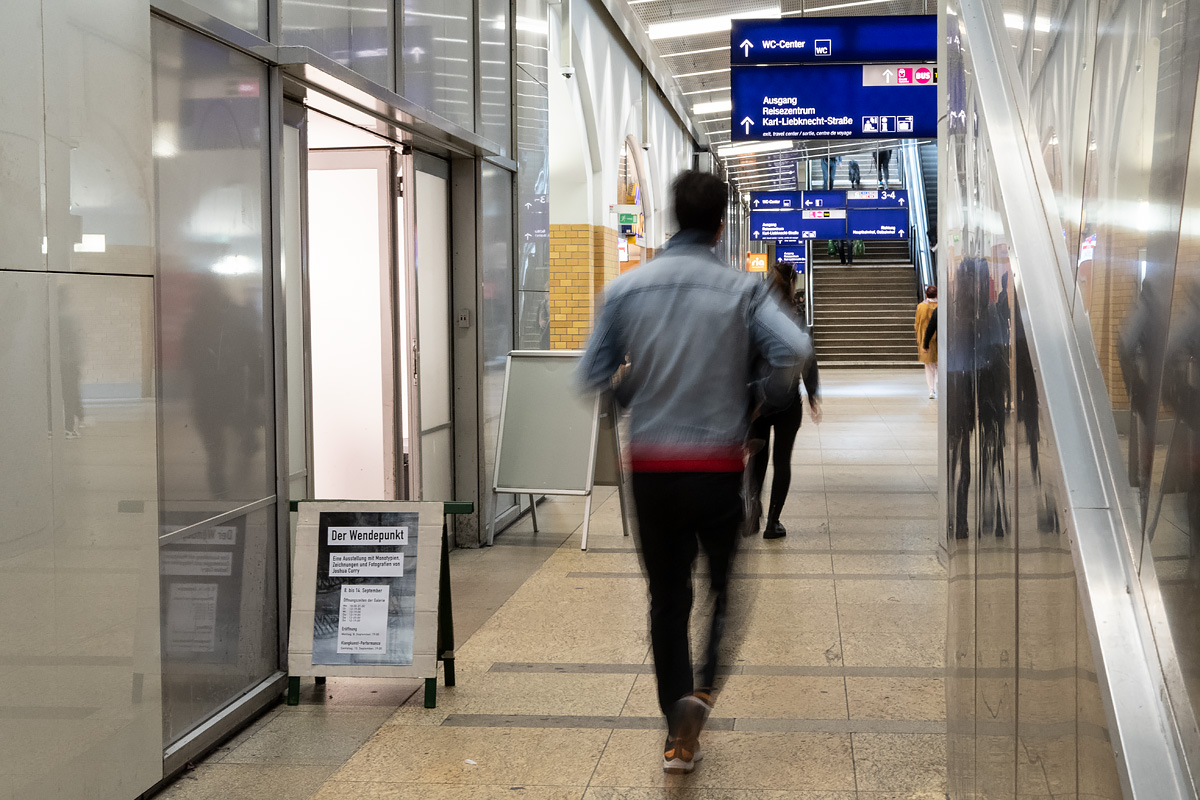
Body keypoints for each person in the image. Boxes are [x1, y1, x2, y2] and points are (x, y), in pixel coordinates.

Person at [578, 171, 812, 776]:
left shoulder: (627, 290)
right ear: (718, 225)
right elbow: (794, 349)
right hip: (715, 467)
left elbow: (592, 376)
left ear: (674, 218)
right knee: (723, 590)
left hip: (652, 468)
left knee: (667, 598)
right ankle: (702, 694)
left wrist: (632, 386)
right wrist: (757, 395)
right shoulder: (744, 291)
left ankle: (674, 730)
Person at [747, 260, 821, 539]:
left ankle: (753, 512)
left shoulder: (756, 313)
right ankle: (773, 522)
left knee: (758, 457)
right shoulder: (796, 314)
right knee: (782, 460)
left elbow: (745, 353)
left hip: (758, 399)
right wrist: (812, 394)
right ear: (792, 283)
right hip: (788, 398)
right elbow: (808, 358)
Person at [915, 285, 938, 398]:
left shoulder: (921, 307)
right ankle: (939, 385)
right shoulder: (941, 307)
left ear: (926, 294)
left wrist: (920, 340)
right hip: (940, 339)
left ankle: (931, 390)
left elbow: (917, 324)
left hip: (926, 340)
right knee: (940, 365)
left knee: (929, 367)